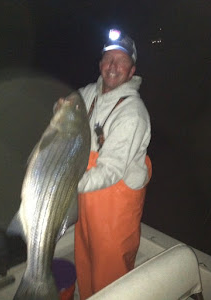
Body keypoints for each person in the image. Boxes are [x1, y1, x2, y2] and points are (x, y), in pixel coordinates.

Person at [56, 28, 152, 300]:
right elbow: (69, 104)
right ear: (100, 64)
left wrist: (67, 181)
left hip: (116, 212)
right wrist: (60, 111)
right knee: (85, 266)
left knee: (111, 281)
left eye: (121, 61)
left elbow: (110, 171)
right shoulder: (90, 94)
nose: (113, 66)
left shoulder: (133, 113)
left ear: (131, 71)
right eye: (108, 59)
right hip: (88, 205)